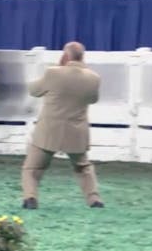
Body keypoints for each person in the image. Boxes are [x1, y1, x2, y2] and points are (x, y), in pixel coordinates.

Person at [22, 42, 103, 210]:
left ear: (65, 56)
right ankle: (94, 199)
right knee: (83, 167)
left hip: (49, 131)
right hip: (76, 132)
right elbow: (93, 99)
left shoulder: (53, 73)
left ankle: (30, 198)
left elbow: (33, 90)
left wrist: (58, 67)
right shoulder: (93, 78)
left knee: (31, 168)